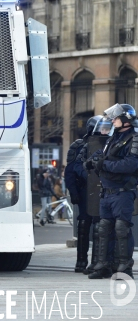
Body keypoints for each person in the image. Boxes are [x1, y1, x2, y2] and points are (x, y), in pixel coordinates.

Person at [85, 104, 138, 279]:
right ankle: (103, 266)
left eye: (115, 118)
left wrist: (104, 165)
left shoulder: (134, 138)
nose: (112, 121)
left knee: (121, 228)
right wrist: (92, 161)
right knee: (103, 228)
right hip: (106, 191)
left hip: (122, 191)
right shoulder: (113, 138)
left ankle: (124, 267)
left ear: (125, 120)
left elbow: (129, 165)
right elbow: (101, 154)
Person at [64, 115, 102, 273]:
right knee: (84, 224)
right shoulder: (78, 146)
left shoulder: (107, 144)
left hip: (101, 190)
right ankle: (81, 261)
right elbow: (70, 172)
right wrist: (73, 192)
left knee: (100, 227)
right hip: (85, 191)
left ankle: (97, 262)